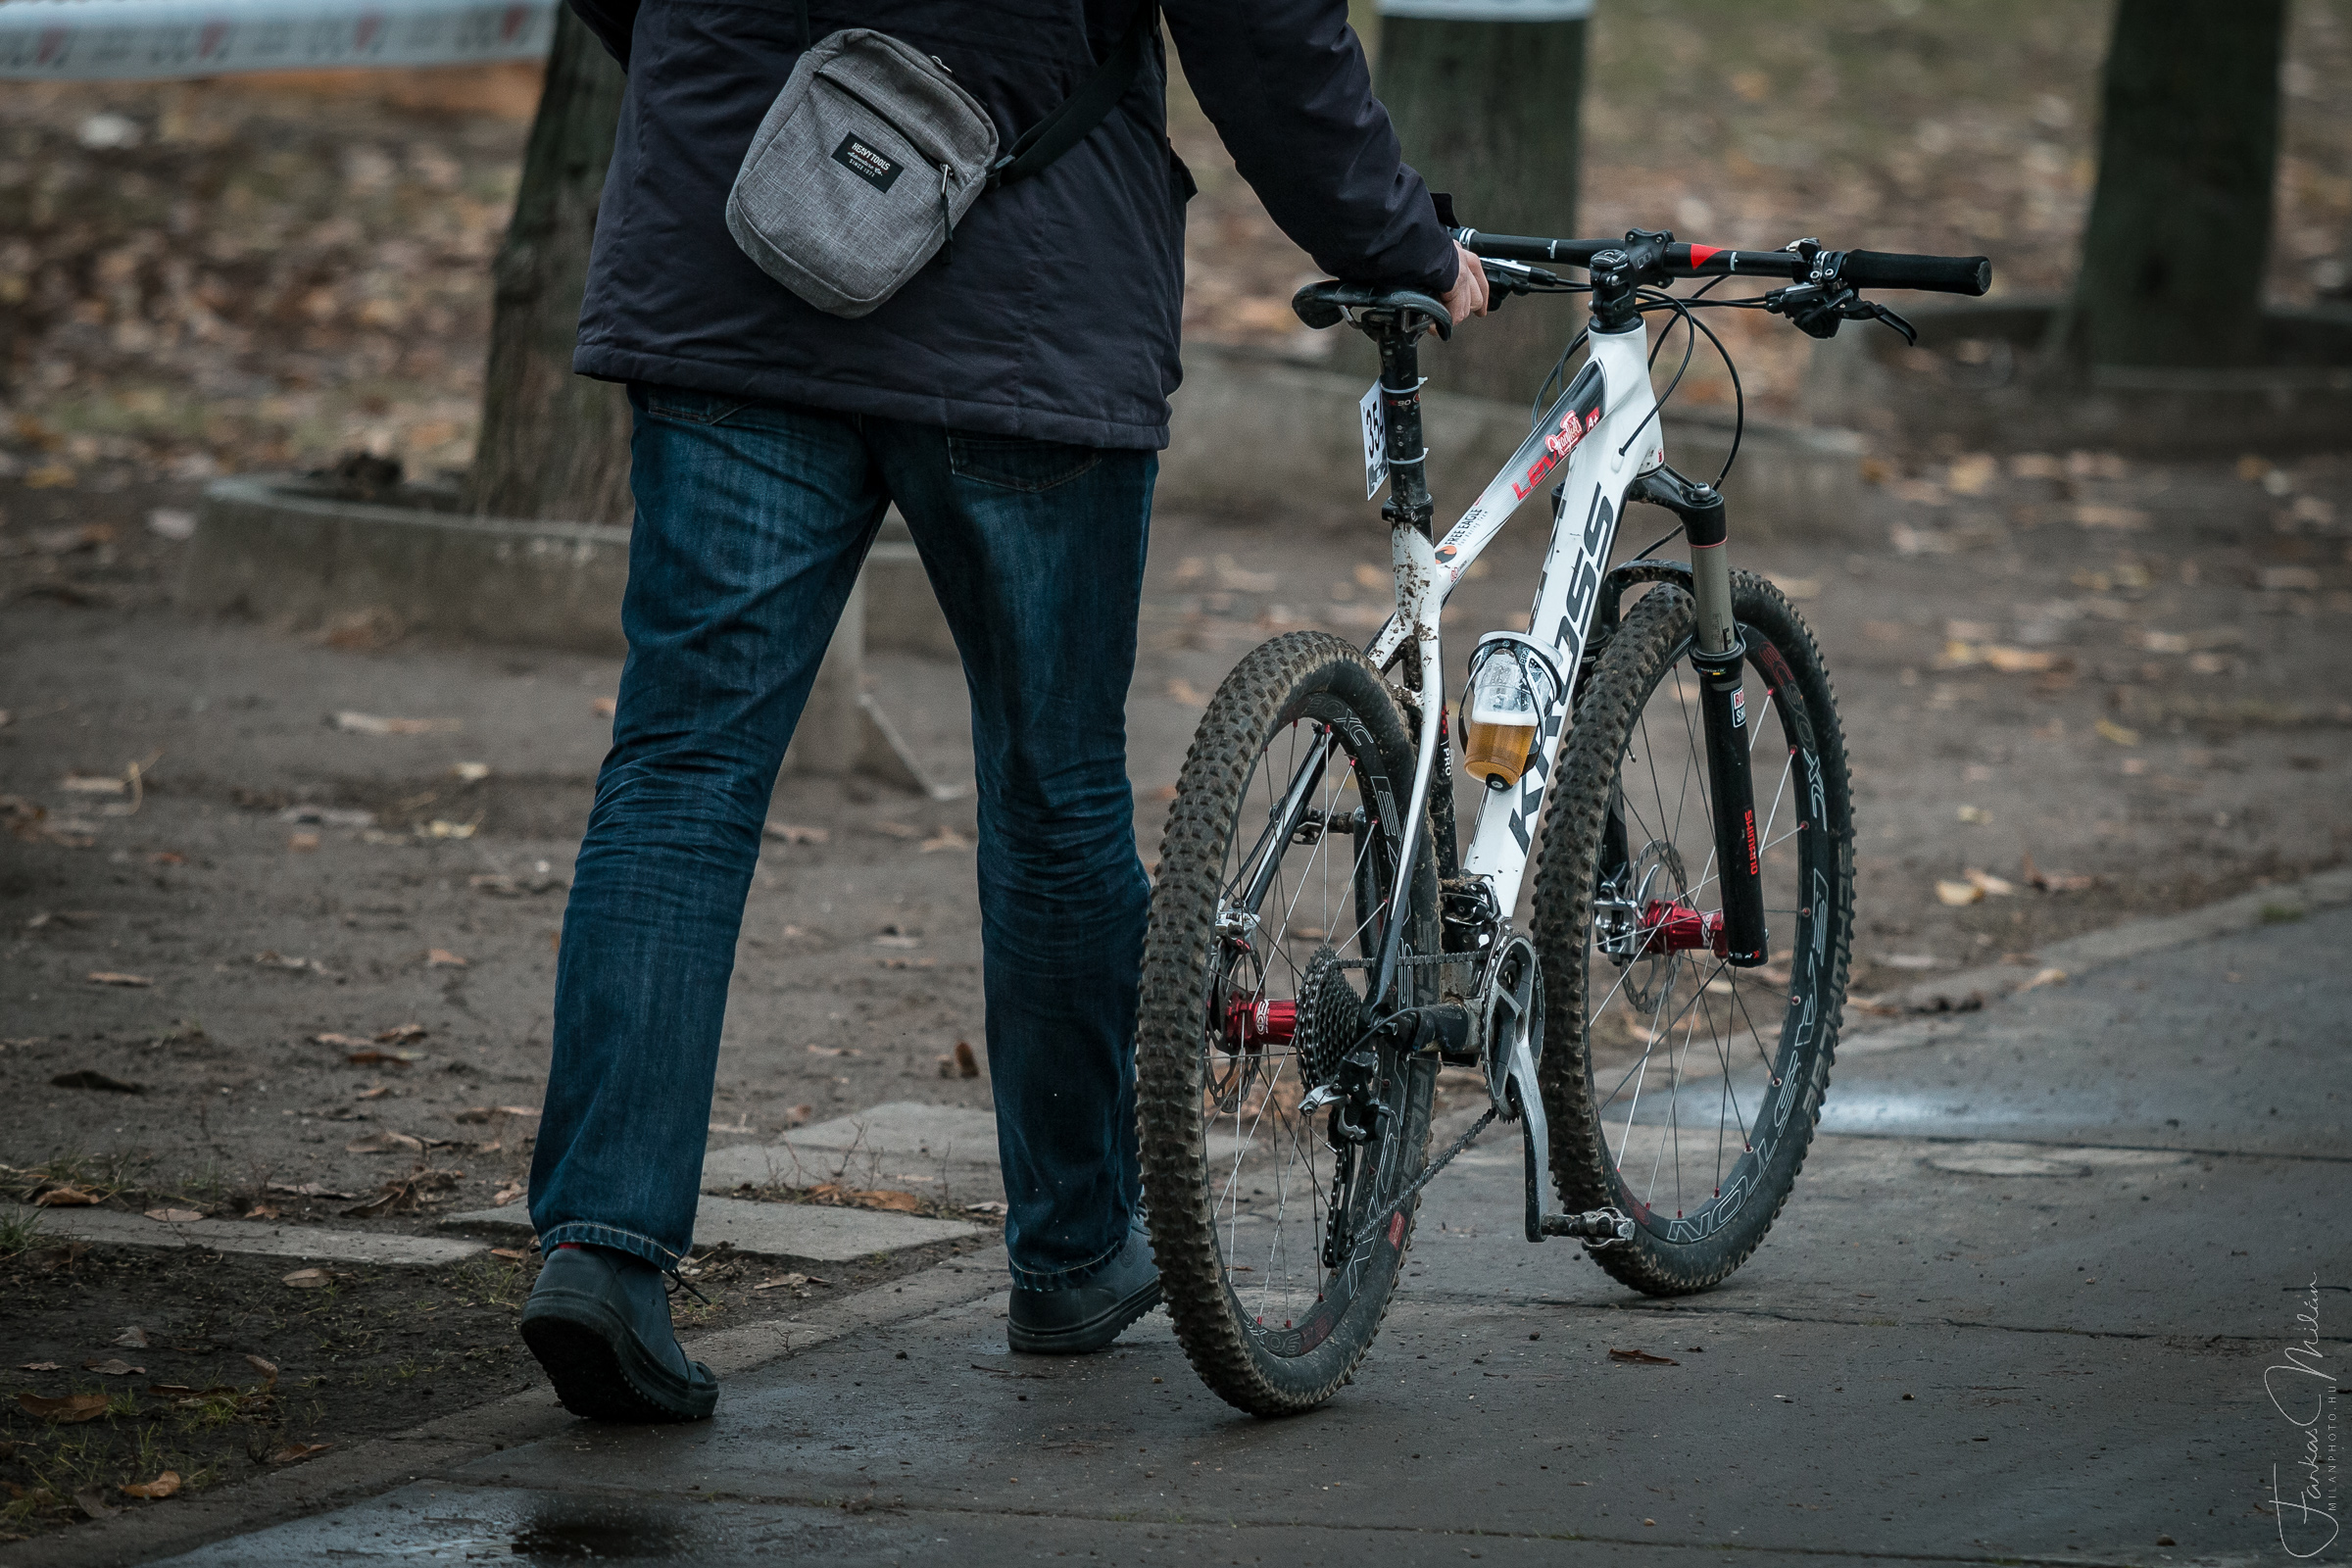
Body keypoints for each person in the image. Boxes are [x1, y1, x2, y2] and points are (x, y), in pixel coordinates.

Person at [517, 0, 1490, 1422]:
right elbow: (1261, 27)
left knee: (679, 776)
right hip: (1028, 287)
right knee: (1055, 795)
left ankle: (603, 1250)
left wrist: (769, 72)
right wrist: (1398, 238)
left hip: (743, 228)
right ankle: (1076, 1246)